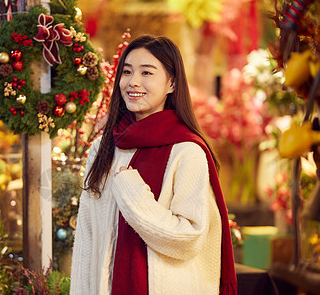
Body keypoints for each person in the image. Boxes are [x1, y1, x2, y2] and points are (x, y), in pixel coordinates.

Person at [70, 35, 237, 295]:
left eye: (147, 72)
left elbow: (187, 239)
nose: (133, 81)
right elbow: (87, 238)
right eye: (127, 72)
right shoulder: (103, 149)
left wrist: (133, 194)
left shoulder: (186, 151)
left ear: (171, 83)